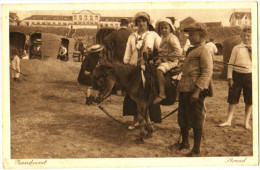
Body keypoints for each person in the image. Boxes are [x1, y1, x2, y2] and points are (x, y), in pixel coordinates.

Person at [177, 22, 213, 157]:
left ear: (202, 35)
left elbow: (207, 72)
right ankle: (185, 142)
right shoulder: (192, 50)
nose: (189, 37)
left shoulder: (204, 50)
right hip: (184, 89)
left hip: (195, 91)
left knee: (196, 119)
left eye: (192, 34)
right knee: (183, 118)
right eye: (189, 34)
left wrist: (197, 92)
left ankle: (196, 149)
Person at [123, 12, 162, 130]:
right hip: (133, 68)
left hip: (147, 67)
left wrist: (157, 59)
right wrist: (126, 65)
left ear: (147, 22)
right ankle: (136, 119)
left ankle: (150, 119)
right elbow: (128, 52)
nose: (141, 24)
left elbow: (162, 48)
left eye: (143, 21)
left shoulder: (153, 35)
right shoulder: (132, 36)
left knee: (148, 91)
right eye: (139, 21)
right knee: (132, 93)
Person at [218, 27, 252, 130]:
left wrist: (252, 51)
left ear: (252, 36)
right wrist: (229, 77)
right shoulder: (237, 48)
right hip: (237, 76)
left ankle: (246, 122)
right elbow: (230, 64)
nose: (246, 38)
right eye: (244, 35)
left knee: (249, 100)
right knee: (233, 99)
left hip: (250, 76)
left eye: (248, 36)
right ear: (241, 36)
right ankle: (228, 120)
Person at [153, 18, 182, 104]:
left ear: (170, 28)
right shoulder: (164, 38)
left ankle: (162, 93)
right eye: (162, 28)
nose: (164, 30)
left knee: (159, 70)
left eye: (166, 28)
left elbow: (178, 51)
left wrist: (167, 57)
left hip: (171, 61)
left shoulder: (172, 38)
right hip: (163, 59)